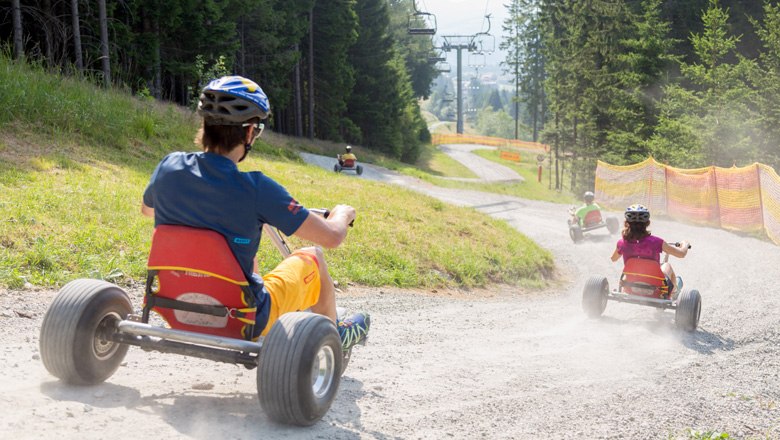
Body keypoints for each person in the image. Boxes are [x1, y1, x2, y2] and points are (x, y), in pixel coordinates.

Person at [141, 75, 369, 352]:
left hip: (172, 306)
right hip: (243, 318)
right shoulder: (257, 189)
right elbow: (331, 237)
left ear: (205, 125)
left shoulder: (169, 167)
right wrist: (343, 213)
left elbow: (147, 209)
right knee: (314, 257)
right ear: (249, 133)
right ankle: (334, 336)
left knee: (244, 256)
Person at [610, 204, 689, 296]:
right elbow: (681, 254)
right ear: (647, 223)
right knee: (667, 265)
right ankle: (673, 292)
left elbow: (613, 259)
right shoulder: (657, 242)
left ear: (626, 223)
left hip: (630, 285)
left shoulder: (622, 243)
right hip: (655, 287)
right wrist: (685, 245)